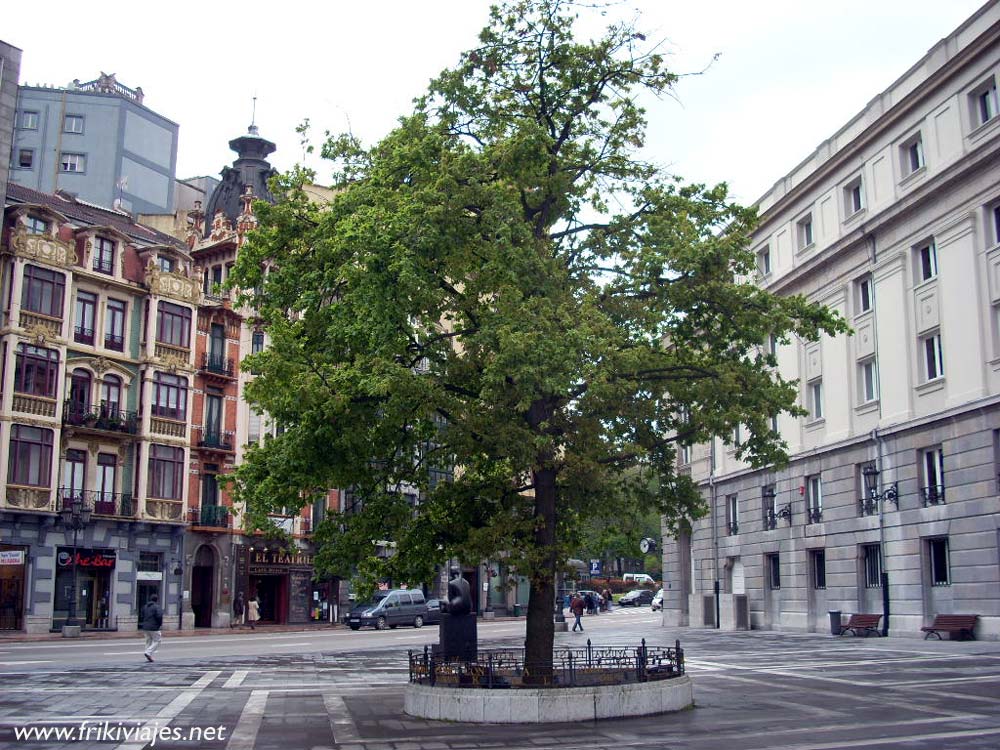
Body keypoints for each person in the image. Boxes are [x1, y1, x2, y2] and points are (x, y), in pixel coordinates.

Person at [140, 594, 163, 662]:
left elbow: (142, 614)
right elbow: (159, 616)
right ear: (157, 600)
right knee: (157, 640)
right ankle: (148, 653)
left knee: (148, 641)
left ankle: (148, 654)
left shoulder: (145, 606)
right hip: (154, 627)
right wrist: (159, 624)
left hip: (145, 626)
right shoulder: (157, 607)